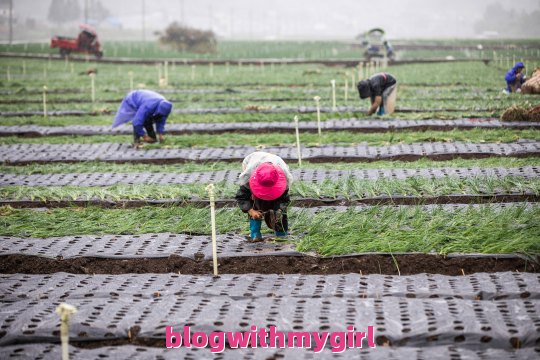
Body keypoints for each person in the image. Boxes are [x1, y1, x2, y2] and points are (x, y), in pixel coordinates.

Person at [235, 151, 293, 242]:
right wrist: (251, 210)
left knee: (278, 211)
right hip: (252, 162)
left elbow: (284, 199)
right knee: (254, 201)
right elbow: (242, 197)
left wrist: (279, 210)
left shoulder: (284, 176)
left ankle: (281, 234)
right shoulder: (248, 176)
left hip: (276, 165)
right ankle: (255, 234)